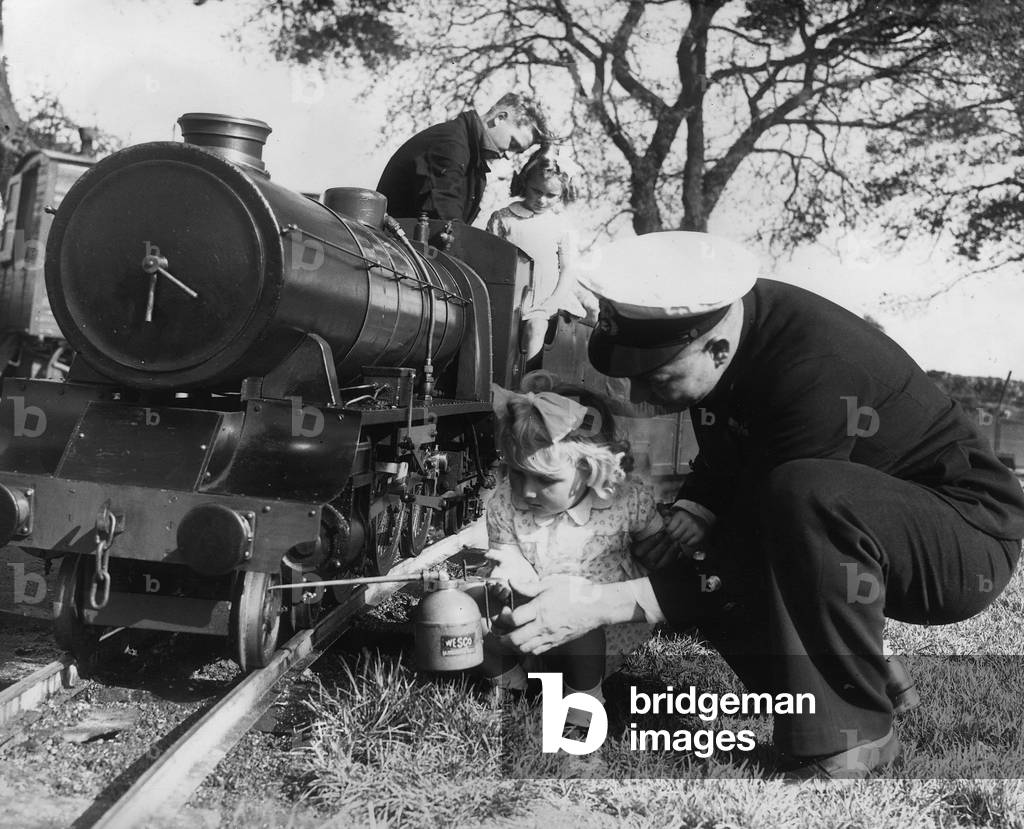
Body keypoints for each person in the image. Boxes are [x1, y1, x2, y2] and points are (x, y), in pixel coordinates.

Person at [494, 231, 1024, 778]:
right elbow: (734, 454)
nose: (639, 396)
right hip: (875, 520)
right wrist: (693, 513)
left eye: (653, 377)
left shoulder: (815, 366)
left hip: (966, 538)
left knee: (789, 508)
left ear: (717, 349)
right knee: (699, 562)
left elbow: (772, 537)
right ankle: (865, 675)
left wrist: (605, 603)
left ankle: (856, 741)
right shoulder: (733, 333)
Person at [478, 382, 662, 723]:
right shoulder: (505, 502)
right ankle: (510, 685)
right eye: (517, 474)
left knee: (581, 617)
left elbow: (656, 546)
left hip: (597, 631)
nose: (527, 490)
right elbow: (506, 555)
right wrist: (507, 576)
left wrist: (665, 545)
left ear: (589, 470)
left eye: (544, 480)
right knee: (473, 612)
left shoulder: (623, 501)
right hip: (528, 615)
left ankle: (582, 708)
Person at [486, 148, 593, 371]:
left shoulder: (561, 225)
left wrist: (552, 303)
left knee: (536, 327)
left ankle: (528, 383)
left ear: (562, 195)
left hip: (546, 300)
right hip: (511, 299)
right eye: (537, 191)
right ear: (525, 183)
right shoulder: (505, 218)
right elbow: (490, 260)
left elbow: (567, 269)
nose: (542, 200)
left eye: (551, 195)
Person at [375, 93, 550, 225]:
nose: (508, 155)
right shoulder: (450, 144)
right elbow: (444, 220)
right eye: (513, 143)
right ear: (499, 118)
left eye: (517, 152)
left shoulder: (470, 156)